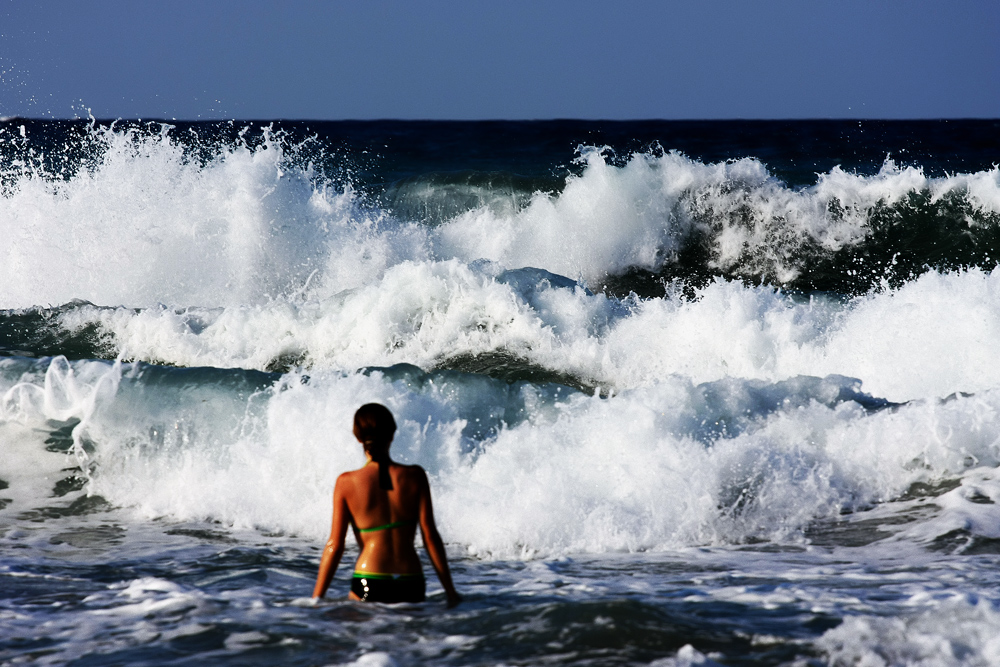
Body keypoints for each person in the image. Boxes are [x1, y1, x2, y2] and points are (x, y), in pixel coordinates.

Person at [312, 403, 461, 607]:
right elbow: (430, 536)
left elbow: (335, 545)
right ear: (392, 434)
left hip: (370, 578)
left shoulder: (346, 482)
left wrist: (316, 598)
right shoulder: (415, 476)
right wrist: (450, 591)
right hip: (411, 580)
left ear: (358, 437)